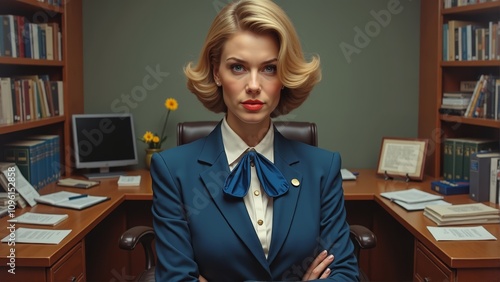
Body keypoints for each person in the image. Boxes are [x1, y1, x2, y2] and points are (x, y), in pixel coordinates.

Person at [151, 0, 359, 281]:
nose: (253, 85)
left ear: (284, 76)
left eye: (269, 69)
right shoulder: (172, 170)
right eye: (237, 67)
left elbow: (343, 273)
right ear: (216, 73)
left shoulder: (323, 167)